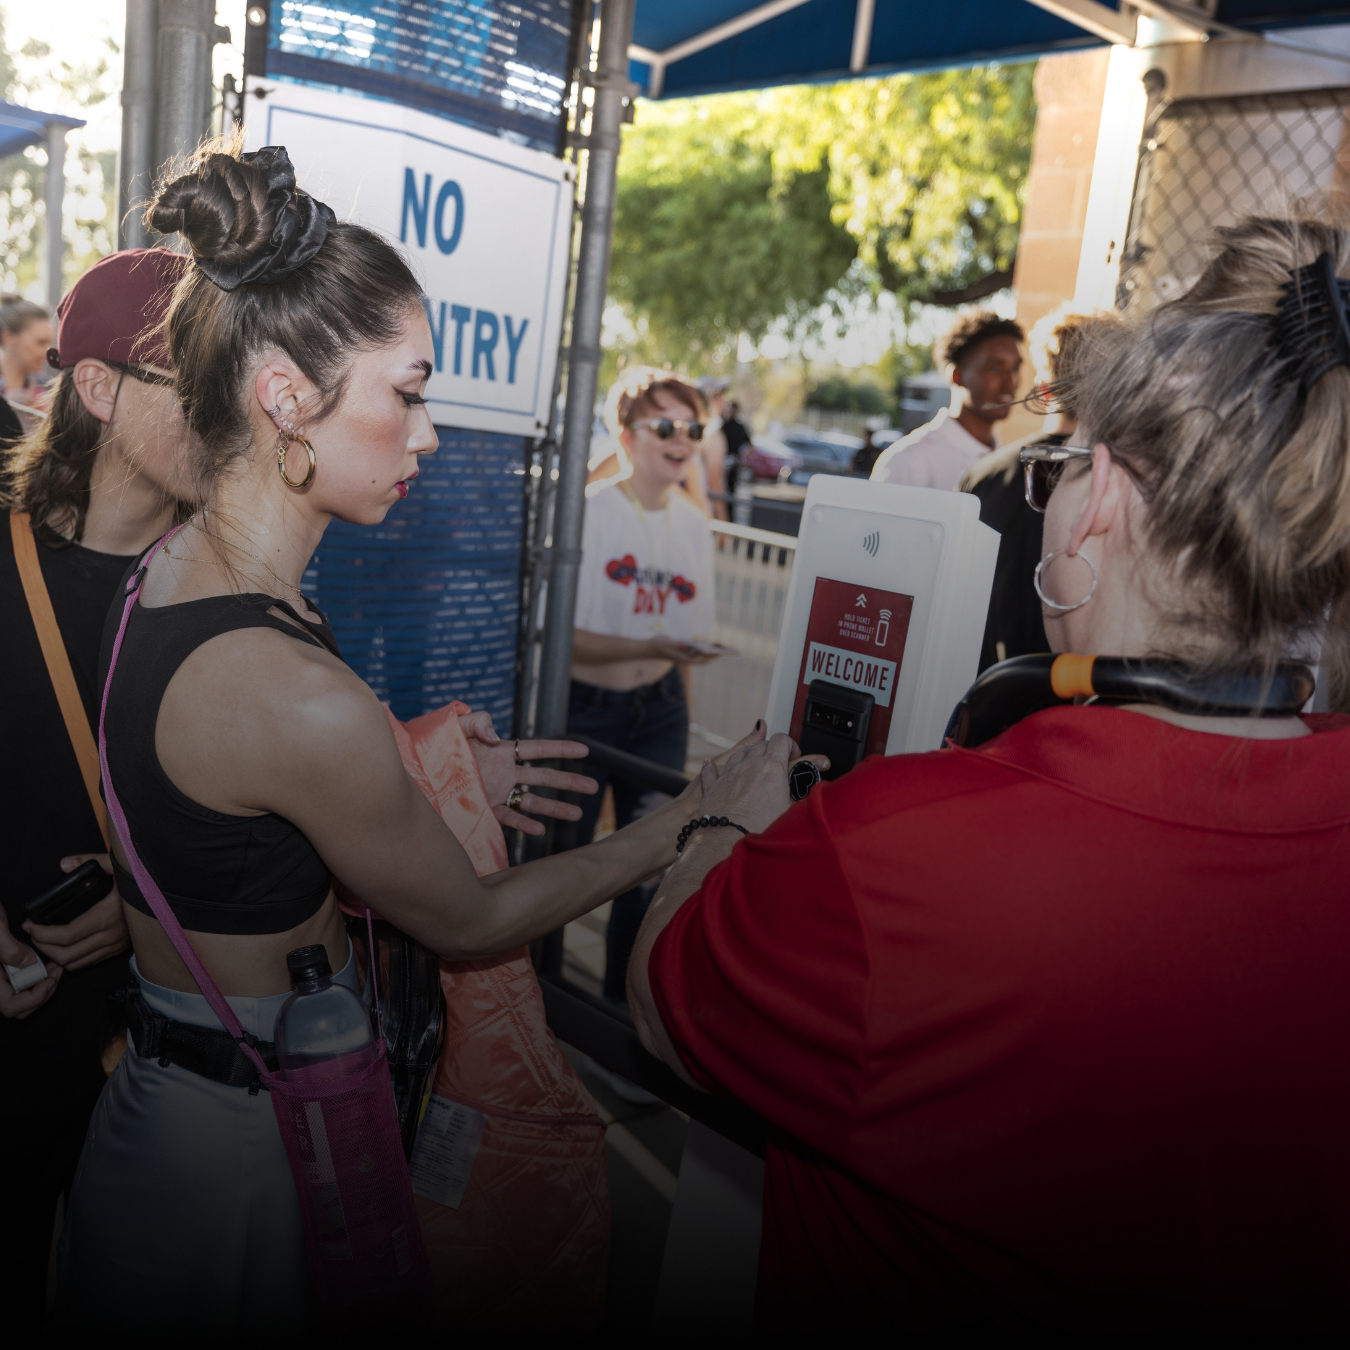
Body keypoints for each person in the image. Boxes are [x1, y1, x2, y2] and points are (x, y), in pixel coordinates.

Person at [627, 208, 1350, 1336]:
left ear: (1100, 497)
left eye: (1062, 462)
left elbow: (665, 1010)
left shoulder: (889, 852)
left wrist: (722, 825)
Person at [58, 144, 734, 1334]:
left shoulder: (167, 576)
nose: (428, 434)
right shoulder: (286, 685)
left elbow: (226, 801)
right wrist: (686, 828)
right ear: (285, 400)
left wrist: (411, 763)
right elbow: (467, 922)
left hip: (174, 1119)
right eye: (408, 392)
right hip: (239, 1178)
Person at [0, 248, 194, 1339]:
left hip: (153, 1057)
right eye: (195, 381)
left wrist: (146, 915)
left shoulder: (215, 587)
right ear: (99, 388)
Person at [567, 367, 720, 1005]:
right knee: (558, 859)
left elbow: (686, 638)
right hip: (582, 710)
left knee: (650, 866)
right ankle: (535, 999)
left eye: (693, 427)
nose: (681, 439)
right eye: (665, 425)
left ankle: (617, 1015)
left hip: (658, 711)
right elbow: (563, 638)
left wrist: (676, 676)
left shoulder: (694, 527)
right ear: (628, 437)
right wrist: (651, 646)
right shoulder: (591, 513)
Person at [960, 310, 1121, 670]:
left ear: (1044, 390)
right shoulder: (1120, 483)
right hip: (1076, 692)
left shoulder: (982, 476)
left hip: (984, 689)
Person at [871, 311, 1024, 490]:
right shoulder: (910, 460)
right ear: (957, 375)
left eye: (1015, 368)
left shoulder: (1007, 461)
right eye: (995, 368)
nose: (1011, 382)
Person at [0, 295, 56, 422]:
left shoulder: (50, 391)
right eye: (41, 342)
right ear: (8, 338)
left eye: (50, 343)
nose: (49, 352)